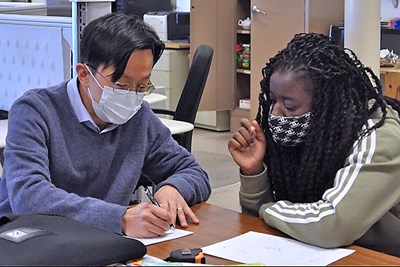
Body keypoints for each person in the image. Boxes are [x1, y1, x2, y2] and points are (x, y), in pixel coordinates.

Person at [0, 13, 211, 238]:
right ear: (84, 74)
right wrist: (118, 218)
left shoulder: (138, 117)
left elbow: (193, 172)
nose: (132, 96)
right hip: (28, 239)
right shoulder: (35, 111)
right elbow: (29, 196)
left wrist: (173, 188)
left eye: (142, 86)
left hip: (100, 241)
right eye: (122, 84)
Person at [228, 32, 400, 257]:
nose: (276, 113)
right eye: (272, 100)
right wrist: (253, 172)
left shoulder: (379, 135)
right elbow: (261, 224)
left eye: (290, 107)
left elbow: (333, 224)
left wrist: (266, 210)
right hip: (323, 252)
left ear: (327, 104)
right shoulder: (309, 132)